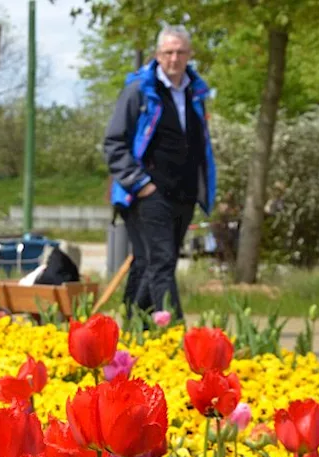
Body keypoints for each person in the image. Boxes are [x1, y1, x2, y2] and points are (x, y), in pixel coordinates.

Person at [104, 25, 215, 322]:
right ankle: (175, 335)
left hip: (184, 193)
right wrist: (140, 184)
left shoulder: (195, 92)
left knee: (148, 263)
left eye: (180, 52)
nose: (174, 58)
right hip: (148, 193)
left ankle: (131, 328)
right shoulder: (140, 91)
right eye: (168, 52)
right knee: (163, 262)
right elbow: (114, 142)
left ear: (189, 55)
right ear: (158, 55)